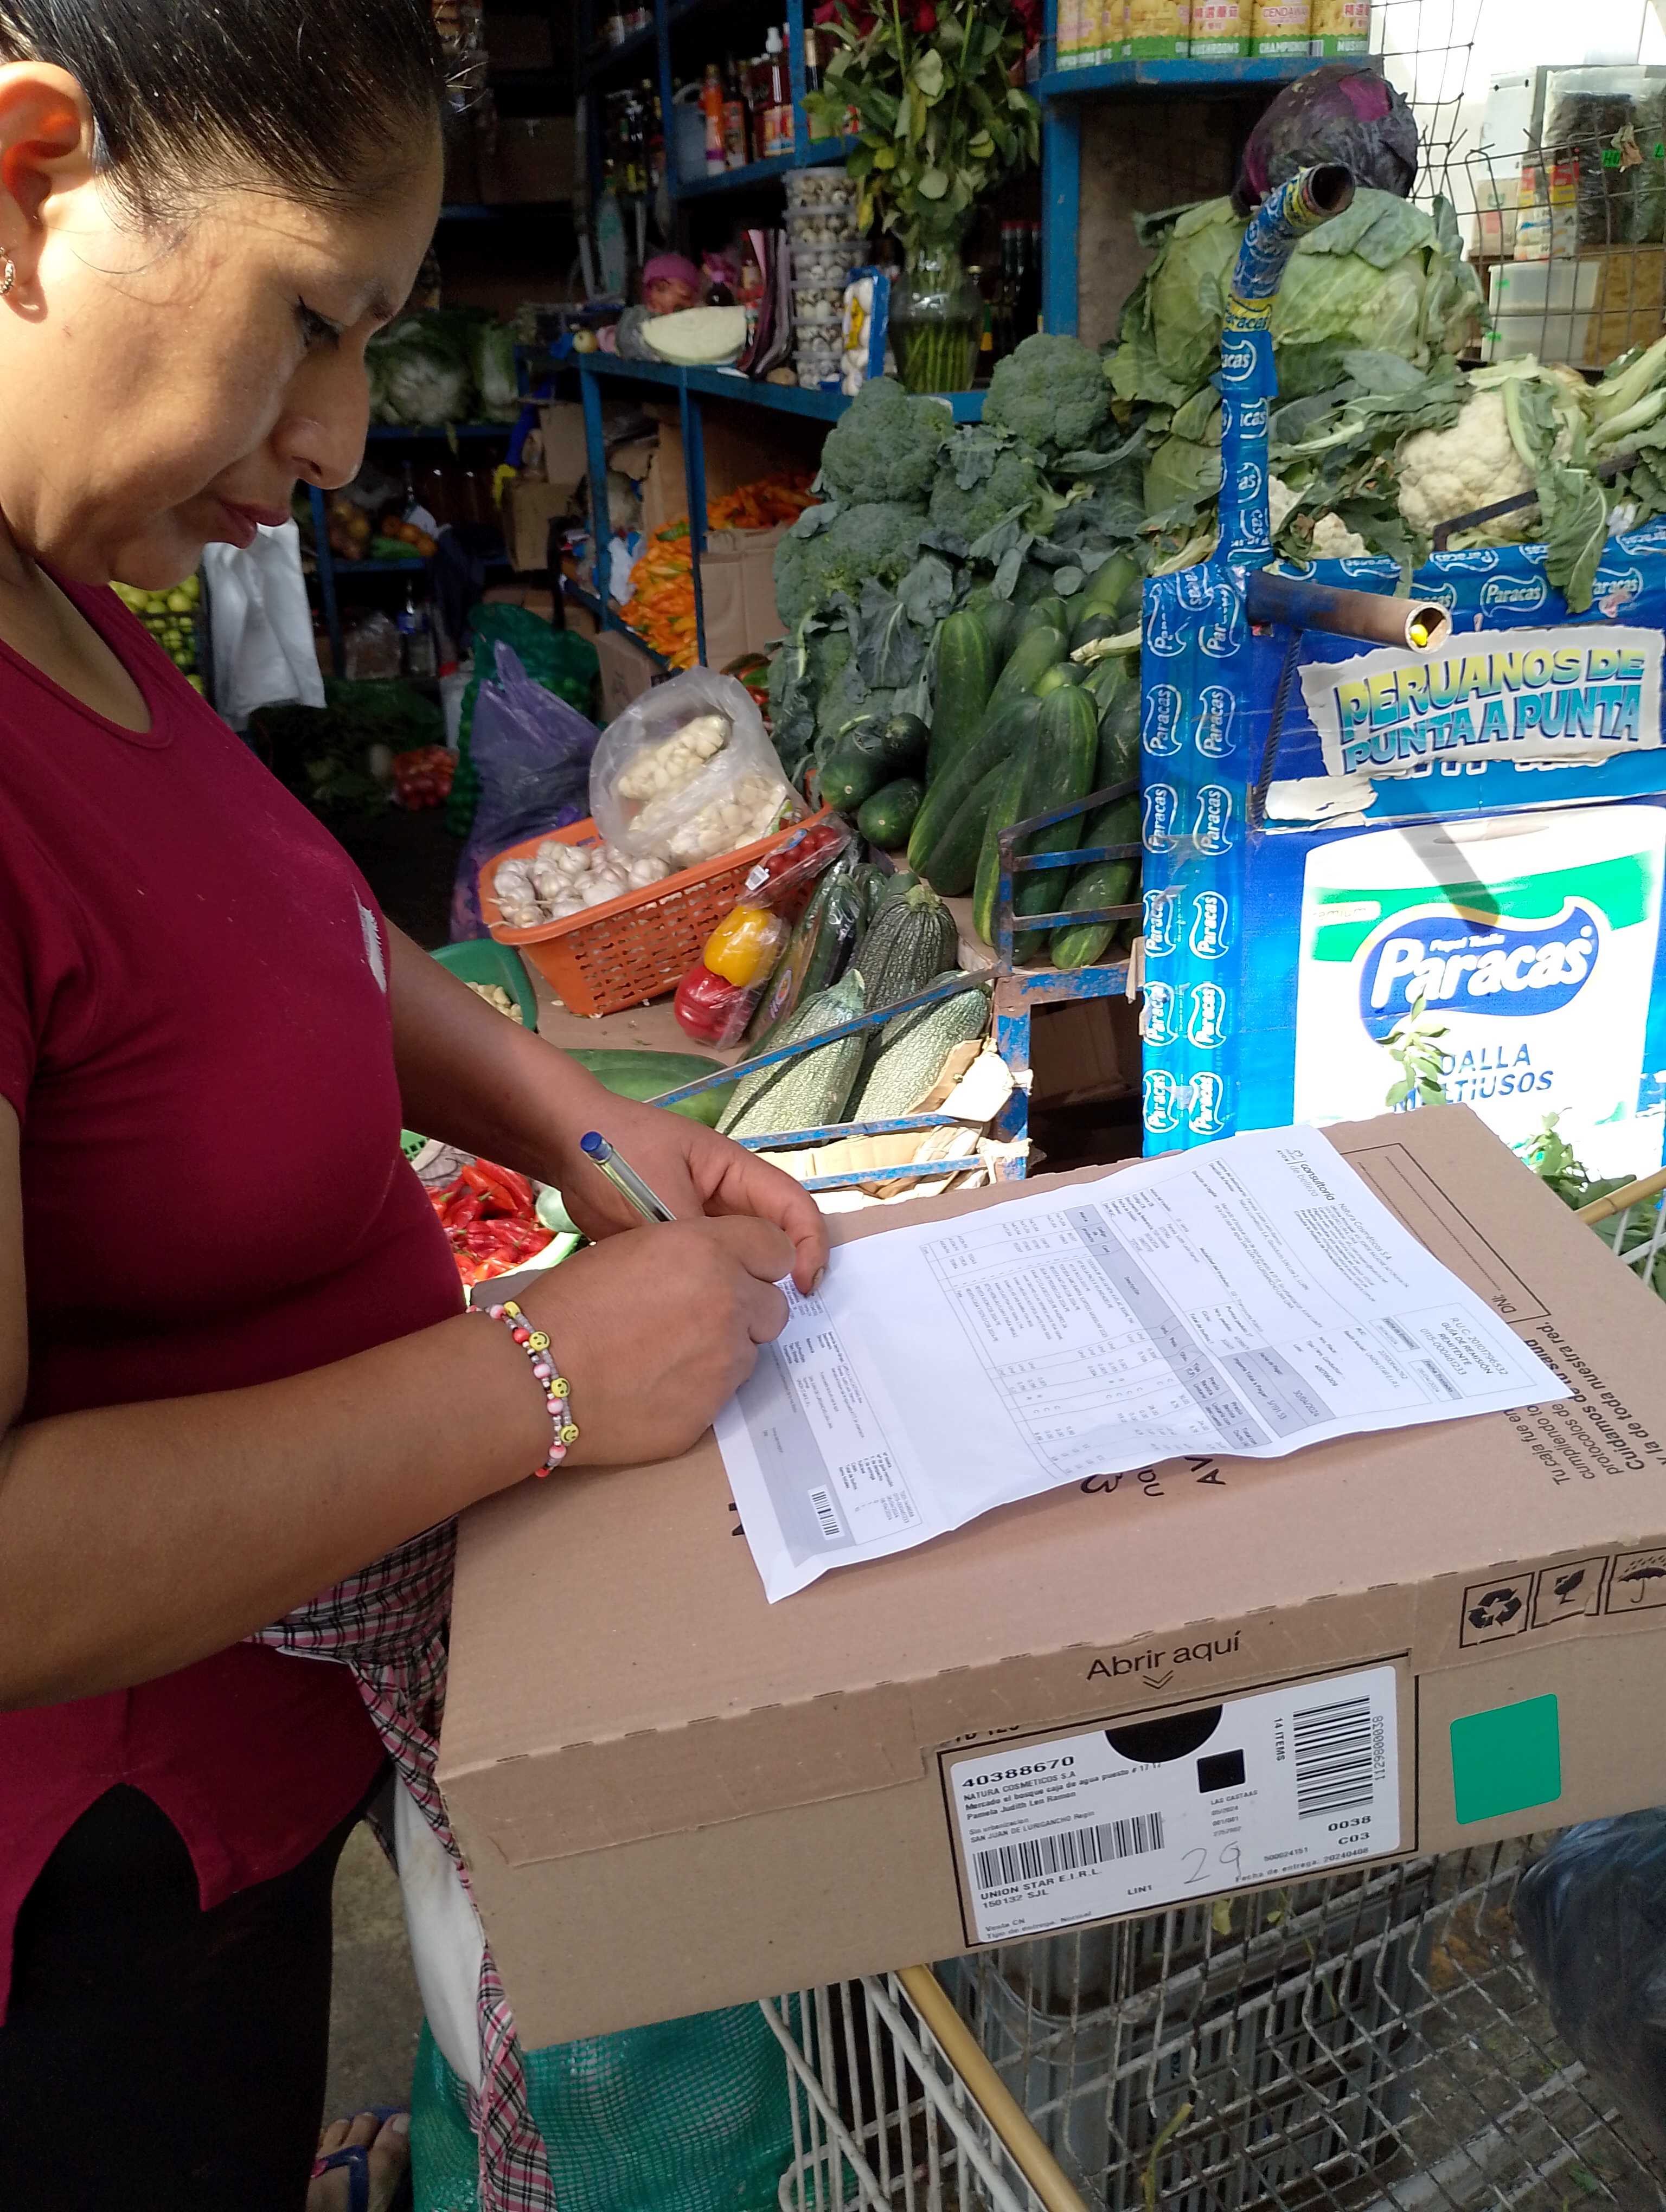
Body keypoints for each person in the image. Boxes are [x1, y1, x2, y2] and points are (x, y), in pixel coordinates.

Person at [0, 7, 828, 2211]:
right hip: (96, 1928)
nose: (345, 435)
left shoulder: (66, 598)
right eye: (309, 321)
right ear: (27, 182)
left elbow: (275, 929)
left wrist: (576, 1125)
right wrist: (538, 1375)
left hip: (259, 1807)